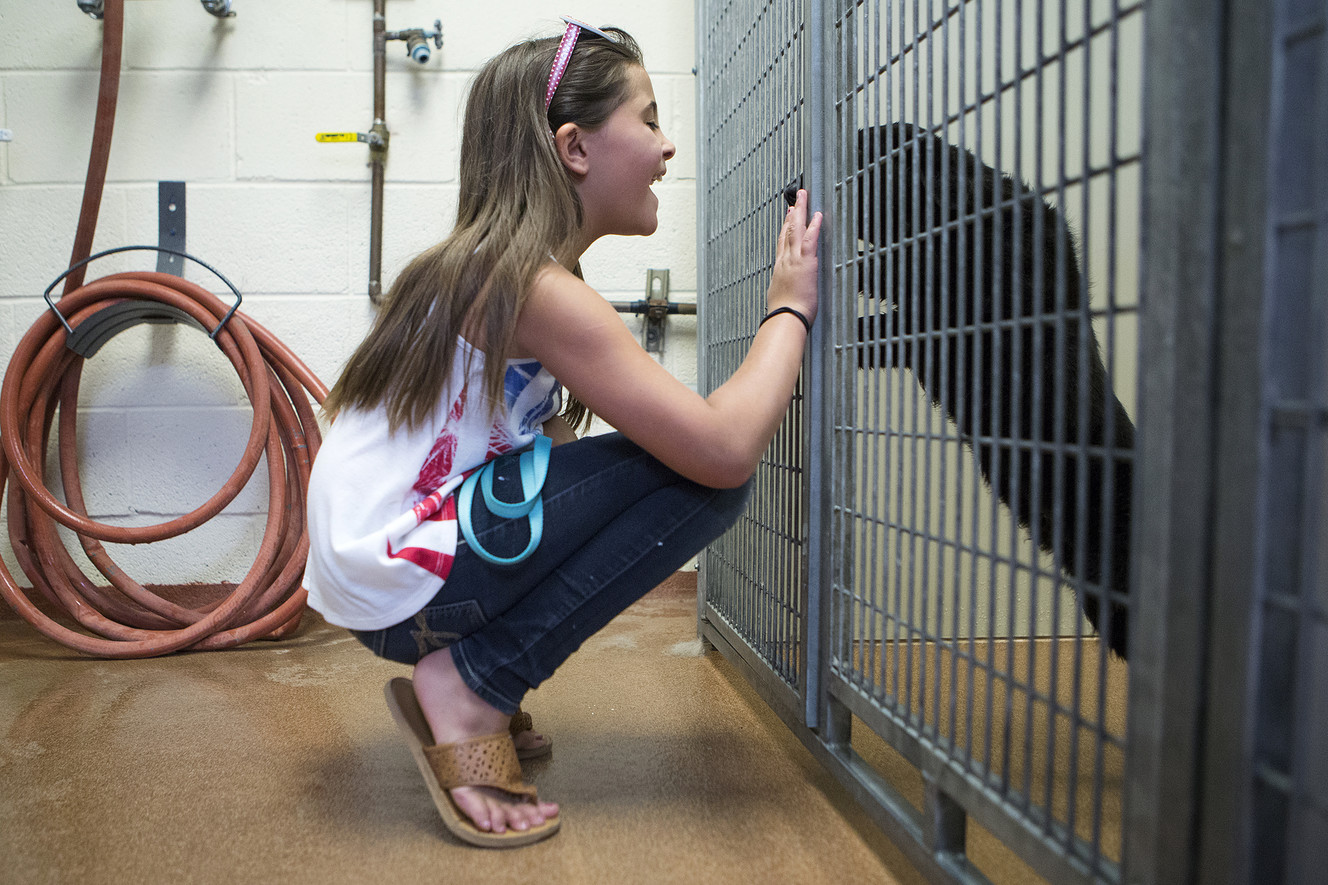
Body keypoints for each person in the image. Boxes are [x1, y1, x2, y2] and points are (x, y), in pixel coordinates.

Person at [303, 17, 821, 849]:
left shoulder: (499, 268)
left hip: (387, 581)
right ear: (574, 148)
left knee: (627, 467)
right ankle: (475, 682)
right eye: (649, 119)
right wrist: (789, 306)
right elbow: (722, 448)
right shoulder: (530, 287)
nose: (666, 147)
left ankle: (472, 673)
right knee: (703, 477)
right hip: (404, 578)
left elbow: (559, 468)